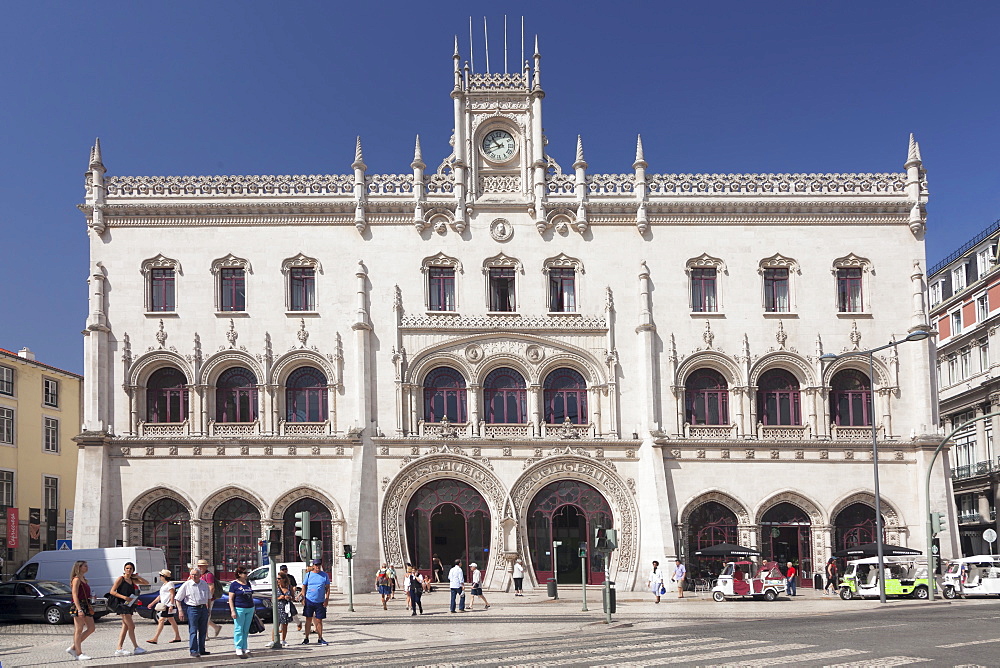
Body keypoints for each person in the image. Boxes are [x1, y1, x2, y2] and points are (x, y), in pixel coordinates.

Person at [110, 561, 149, 656]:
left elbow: (146, 583)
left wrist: (137, 577)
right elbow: (112, 591)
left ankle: (119, 648)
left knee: (125, 627)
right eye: (127, 568)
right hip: (122, 605)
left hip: (129, 605)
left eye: (130, 569)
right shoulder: (121, 579)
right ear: (124, 569)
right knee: (131, 626)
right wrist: (124, 597)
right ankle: (136, 647)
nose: (128, 570)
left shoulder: (132, 580)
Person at [176, 567, 212, 658]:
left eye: (196, 574)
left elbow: (208, 597)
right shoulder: (186, 585)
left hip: (203, 608)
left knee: (203, 630)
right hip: (192, 609)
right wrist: (180, 611)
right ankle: (193, 650)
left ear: (200, 575)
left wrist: (208, 609)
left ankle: (202, 649)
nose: (194, 576)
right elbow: (178, 599)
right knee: (193, 630)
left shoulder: (204, 584)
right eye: (192, 574)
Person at [67, 560, 96, 661]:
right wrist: (79, 609)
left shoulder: (84, 579)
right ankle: (78, 653)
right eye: (84, 566)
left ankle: (73, 647)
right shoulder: (76, 579)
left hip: (86, 604)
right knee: (78, 629)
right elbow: (74, 594)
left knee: (91, 628)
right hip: (79, 605)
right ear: (79, 567)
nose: (87, 567)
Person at [147, 569, 182, 644]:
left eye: (161, 576)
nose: (160, 577)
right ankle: (177, 636)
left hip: (168, 605)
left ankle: (155, 638)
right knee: (171, 620)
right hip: (165, 605)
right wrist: (152, 603)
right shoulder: (164, 585)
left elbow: (172, 594)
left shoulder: (170, 584)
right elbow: (160, 596)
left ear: (164, 576)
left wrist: (171, 605)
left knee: (161, 620)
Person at [228, 566, 255, 658]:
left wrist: (253, 607)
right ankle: (238, 647)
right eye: (244, 573)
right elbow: (231, 599)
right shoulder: (234, 585)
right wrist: (232, 611)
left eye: (246, 572)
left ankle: (245, 646)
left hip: (249, 608)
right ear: (239, 574)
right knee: (239, 629)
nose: (246, 574)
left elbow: (251, 595)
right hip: (239, 608)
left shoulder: (248, 583)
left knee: (246, 629)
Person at [301, 559, 330, 646]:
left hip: (320, 601)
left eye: (319, 565)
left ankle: (320, 638)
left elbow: (327, 588)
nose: (317, 567)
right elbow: (304, 586)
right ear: (313, 565)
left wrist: (327, 599)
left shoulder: (324, 575)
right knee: (308, 619)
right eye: (316, 565)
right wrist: (303, 598)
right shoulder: (308, 575)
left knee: (319, 620)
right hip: (309, 600)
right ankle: (306, 638)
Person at [196, 559, 222, 638]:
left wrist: (208, 599)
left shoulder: (208, 575)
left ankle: (205, 635)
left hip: (207, 599)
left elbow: (211, 587)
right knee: (202, 616)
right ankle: (216, 627)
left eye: (202, 566)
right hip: (200, 598)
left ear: (206, 566)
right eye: (199, 566)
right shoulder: (199, 575)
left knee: (206, 616)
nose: (200, 567)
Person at [276, 573, 295, 646]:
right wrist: (280, 598)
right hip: (278, 607)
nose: (278, 580)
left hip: (286, 607)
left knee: (285, 624)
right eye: (277, 578)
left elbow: (293, 597)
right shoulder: (276, 587)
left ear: (284, 579)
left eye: (279, 578)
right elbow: (272, 598)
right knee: (276, 624)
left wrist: (289, 597)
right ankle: (273, 639)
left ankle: (283, 640)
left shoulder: (289, 587)